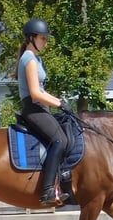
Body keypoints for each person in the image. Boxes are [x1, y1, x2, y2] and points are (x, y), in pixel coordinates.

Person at [16, 18, 72, 205]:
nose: (46, 42)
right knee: (60, 140)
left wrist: (60, 102)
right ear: (31, 38)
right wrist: (58, 105)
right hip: (33, 109)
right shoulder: (28, 59)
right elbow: (34, 92)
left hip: (41, 107)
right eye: (43, 38)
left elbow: (41, 90)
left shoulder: (36, 59)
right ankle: (47, 190)